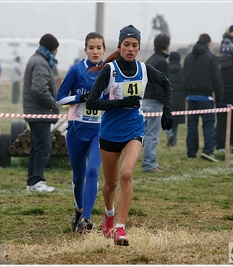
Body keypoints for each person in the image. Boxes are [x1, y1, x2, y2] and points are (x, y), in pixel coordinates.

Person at [86, 25, 173, 246]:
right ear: (120, 46)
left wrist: (167, 111)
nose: (131, 49)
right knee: (110, 185)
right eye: (127, 44)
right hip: (109, 134)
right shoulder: (110, 70)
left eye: (135, 45)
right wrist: (120, 103)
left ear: (139, 47)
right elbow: (92, 102)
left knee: (126, 175)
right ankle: (108, 214)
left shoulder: (145, 69)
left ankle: (121, 229)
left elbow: (166, 84)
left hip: (134, 131)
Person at [56, 32, 106, 233]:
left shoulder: (109, 71)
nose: (95, 51)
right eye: (91, 48)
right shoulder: (76, 70)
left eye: (99, 47)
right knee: (79, 177)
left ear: (104, 50)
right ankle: (78, 211)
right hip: (76, 129)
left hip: (99, 131)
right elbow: (59, 99)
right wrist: (80, 98)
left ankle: (86, 218)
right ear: (85, 49)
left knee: (93, 171)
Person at [23, 33, 60, 192]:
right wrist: (52, 104)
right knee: (44, 149)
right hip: (40, 112)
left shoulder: (38, 60)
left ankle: (32, 182)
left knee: (37, 148)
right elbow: (39, 89)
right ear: (53, 48)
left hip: (36, 111)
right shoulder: (40, 63)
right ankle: (37, 181)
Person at [182, 33, 223, 162]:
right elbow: (217, 78)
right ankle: (208, 151)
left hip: (190, 97)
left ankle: (191, 152)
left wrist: (185, 94)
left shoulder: (188, 58)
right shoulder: (211, 57)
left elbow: (183, 77)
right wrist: (219, 98)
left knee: (192, 125)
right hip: (206, 97)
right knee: (209, 124)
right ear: (208, 44)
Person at [142, 33, 170, 173]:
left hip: (146, 100)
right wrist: (164, 102)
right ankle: (149, 164)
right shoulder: (162, 62)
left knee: (146, 134)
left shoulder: (150, 59)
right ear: (167, 45)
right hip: (154, 102)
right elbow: (162, 84)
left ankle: (149, 162)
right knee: (152, 135)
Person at [165, 51, 186, 147]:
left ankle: (169, 134)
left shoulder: (165, 70)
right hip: (179, 99)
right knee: (176, 122)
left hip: (168, 99)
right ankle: (173, 143)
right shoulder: (182, 71)